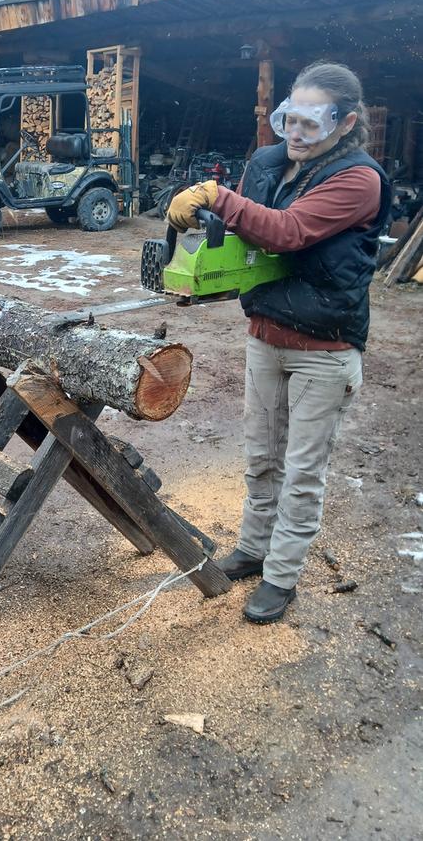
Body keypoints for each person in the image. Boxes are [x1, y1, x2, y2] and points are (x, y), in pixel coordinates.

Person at [167, 61, 391, 624]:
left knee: (302, 469)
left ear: (345, 124)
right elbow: (247, 244)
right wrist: (206, 253)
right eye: (289, 118)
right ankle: (253, 545)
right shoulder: (269, 163)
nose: (294, 133)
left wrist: (219, 197)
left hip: (325, 349)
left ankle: (283, 574)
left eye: (311, 125)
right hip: (265, 334)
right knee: (262, 456)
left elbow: (288, 233)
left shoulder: (358, 180)